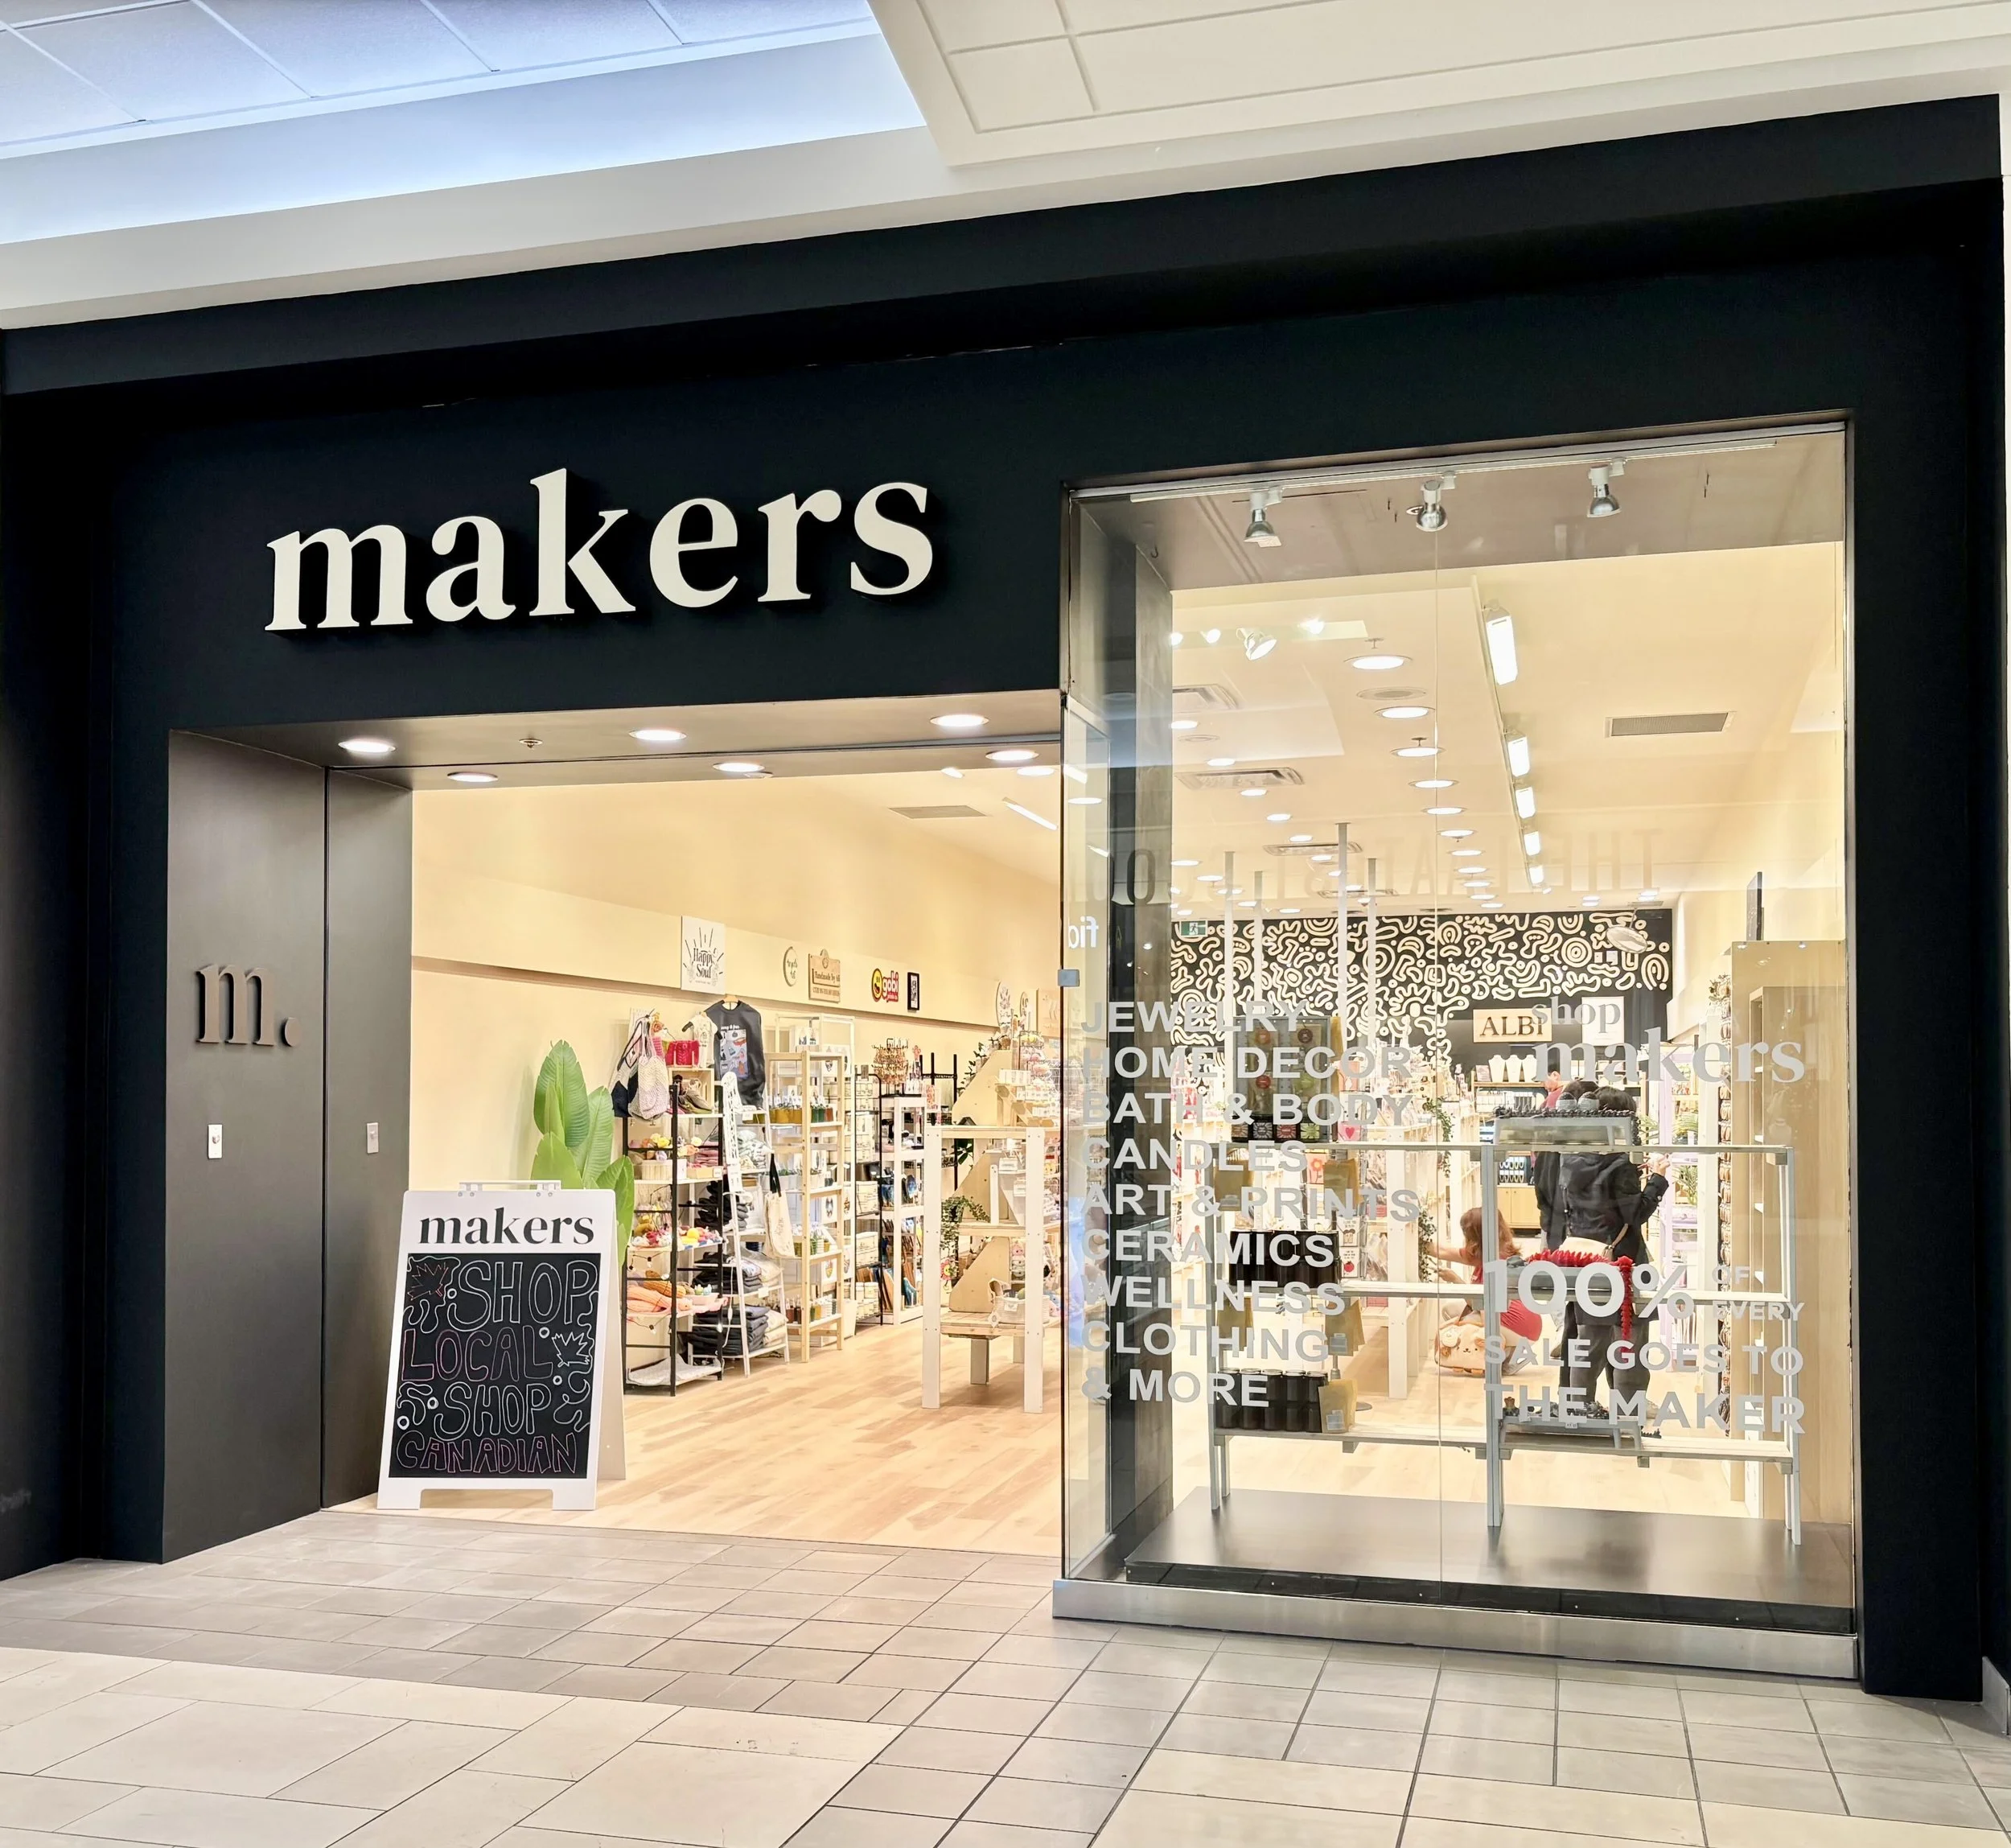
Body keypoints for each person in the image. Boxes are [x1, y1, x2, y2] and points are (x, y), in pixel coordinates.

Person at [1557, 1088, 1669, 1416]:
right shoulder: (1621, 1163)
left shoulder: (1573, 1160)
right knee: (1630, 1339)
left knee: (1588, 1339)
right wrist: (1658, 1180)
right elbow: (1636, 1215)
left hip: (1585, 1259)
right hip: (1621, 1259)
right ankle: (1628, 1410)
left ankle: (1577, 1408)